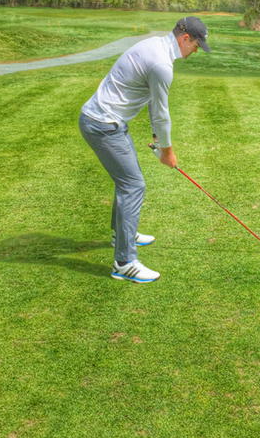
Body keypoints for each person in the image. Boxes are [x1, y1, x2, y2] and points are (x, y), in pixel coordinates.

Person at [79, 16, 211, 283]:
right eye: (196, 46)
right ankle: (124, 262)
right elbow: (162, 114)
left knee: (128, 182)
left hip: (106, 122)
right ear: (185, 38)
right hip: (103, 125)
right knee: (133, 185)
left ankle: (122, 235)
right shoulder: (161, 64)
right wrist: (167, 151)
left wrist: (157, 139)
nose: (196, 51)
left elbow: (151, 100)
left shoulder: (154, 45)